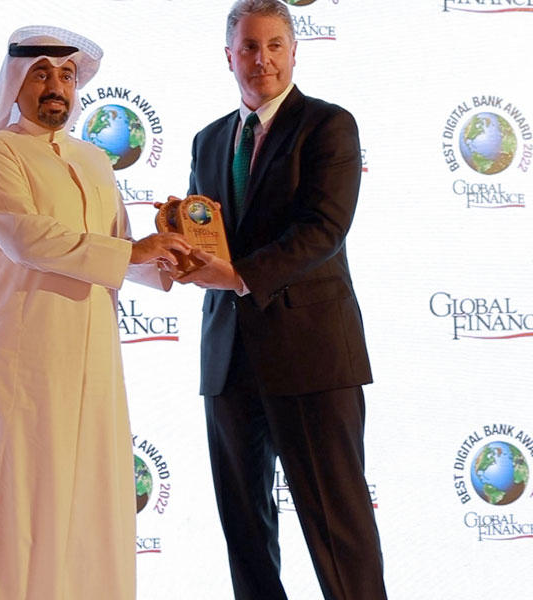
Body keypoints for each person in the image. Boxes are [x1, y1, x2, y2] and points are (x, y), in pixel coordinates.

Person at [0, 26, 190, 600]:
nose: (56, 86)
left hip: (92, 360)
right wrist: (134, 254)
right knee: (21, 497)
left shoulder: (94, 159)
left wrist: (173, 257)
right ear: (15, 83)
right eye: (41, 74)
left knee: (89, 500)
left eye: (67, 75)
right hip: (24, 361)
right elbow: (29, 238)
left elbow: (120, 247)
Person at [174, 1, 388, 599]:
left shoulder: (329, 126)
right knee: (244, 532)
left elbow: (324, 229)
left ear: (294, 52)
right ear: (229, 56)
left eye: (273, 46)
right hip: (228, 358)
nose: (261, 59)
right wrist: (179, 250)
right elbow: (205, 230)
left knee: (338, 528)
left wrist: (239, 274)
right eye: (249, 46)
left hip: (311, 356)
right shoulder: (208, 140)